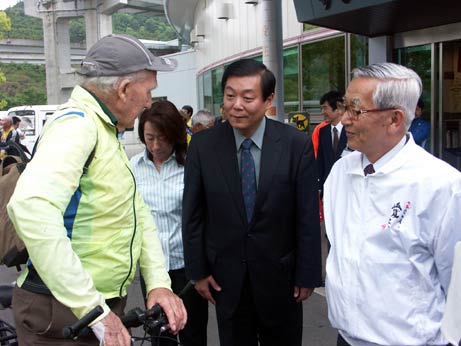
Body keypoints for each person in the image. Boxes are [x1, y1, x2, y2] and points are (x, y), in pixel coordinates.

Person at [7, 34, 187, 346]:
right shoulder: (77, 127)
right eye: (148, 92)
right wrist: (92, 307)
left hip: (89, 306)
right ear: (124, 89)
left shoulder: (104, 130)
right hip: (66, 312)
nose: (148, 103)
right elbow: (31, 207)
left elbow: (136, 213)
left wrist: (158, 282)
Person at [182, 59, 322, 346]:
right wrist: (198, 272)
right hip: (226, 279)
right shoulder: (203, 146)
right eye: (230, 96)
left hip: (281, 279)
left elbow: (306, 215)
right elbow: (193, 214)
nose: (237, 105)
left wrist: (307, 274)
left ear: (268, 100)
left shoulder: (296, 144)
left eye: (248, 97)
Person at [324, 62, 461, 346]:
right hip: (346, 338)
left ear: (395, 119)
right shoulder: (340, 173)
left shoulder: (441, 185)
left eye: (355, 109)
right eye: (344, 106)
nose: (344, 119)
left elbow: (456, 283)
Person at [130, 100, 208, 346]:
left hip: (187, 267)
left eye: (161, 138)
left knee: (192, 332)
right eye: (149, 137)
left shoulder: (191, 166)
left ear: (175, 135)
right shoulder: (133, 168)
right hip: (153, 268)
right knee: (159, 332)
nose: (155, 145)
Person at [317, 90, 346, 193]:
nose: (322, 112)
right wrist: (319, 186)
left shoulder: (351, 131)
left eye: (325, 108)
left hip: (347, 186)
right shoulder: (322, 132)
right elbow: (320, 161)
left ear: (338, 109)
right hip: (328, 188)